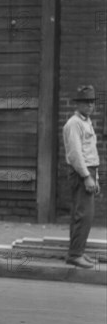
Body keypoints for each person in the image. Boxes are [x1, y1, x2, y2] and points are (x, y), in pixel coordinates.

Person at [62, 85, 100, 268]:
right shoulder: (74, 123)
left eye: (92, 102)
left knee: (85, 215)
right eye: (87, 102)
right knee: (82, 215)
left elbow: (90, 152)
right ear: (78, 104)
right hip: (80, 173)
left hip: (89, 171)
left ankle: (79, 252)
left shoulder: (86, 121)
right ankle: (75, 254)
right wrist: (86, 177)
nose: (91, 105)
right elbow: (76, 155)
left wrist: (95, 177)